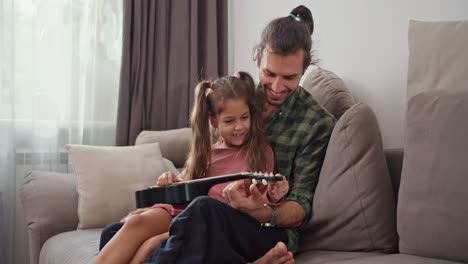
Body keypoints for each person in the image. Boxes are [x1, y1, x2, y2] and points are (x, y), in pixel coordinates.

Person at [142, 5, 336, 264]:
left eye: (289, 77)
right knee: (114, 233)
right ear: (258, 57)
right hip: (214, 216)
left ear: (305, 68)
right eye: (269, 74)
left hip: (267, 230)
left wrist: (262, 212)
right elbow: (207, 166)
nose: (277, 87)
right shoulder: (239, 98)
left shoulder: (316, 123)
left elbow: (301, 206)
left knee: (203, 210)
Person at [94, 71, 290, 264]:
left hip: (219, 226)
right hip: (186, 218)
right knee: (114, 231)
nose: (239, 127)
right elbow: (181, 195)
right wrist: (168, 182)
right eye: (229, 121)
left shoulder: (260, 151)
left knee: (169, 231)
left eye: (244, 117)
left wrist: (274, 195)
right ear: (213, 121)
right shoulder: (206, 155)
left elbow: (263, 202)